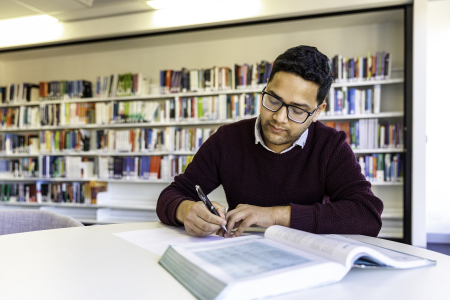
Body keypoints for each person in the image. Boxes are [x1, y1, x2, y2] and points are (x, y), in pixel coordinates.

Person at [156, 45, 383, 238]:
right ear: (266, 87)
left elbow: (367, 214)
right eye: (273, 100)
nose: (279, 117)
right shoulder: (227, 140)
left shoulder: (330, 146)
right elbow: (173, 193)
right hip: (241, 256)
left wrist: (272, 215)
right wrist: (185, 210)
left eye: (297, 110)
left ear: (318, 111)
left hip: (308, 261)